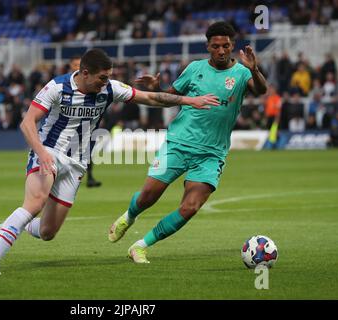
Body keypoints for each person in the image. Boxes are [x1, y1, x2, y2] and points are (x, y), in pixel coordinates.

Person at [0, 48, 219, 275]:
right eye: (102, 78)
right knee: (35, 202)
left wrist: (190, 101)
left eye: (108, 78)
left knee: (48, 232)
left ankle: (13, 225)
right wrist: (42, 153)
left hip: (77, 164)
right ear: (84, 73)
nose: (105, 83)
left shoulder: (109, 89)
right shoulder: (56, 88)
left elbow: (150, 98)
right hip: (49, 151)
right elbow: (27, 123)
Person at [108, 21, 267, 263]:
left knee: (190, 207)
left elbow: (261, 91)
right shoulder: (194, 69)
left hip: (212, 154)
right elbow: (170, 98)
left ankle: (140, 246)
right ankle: (129, 217)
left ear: (232, 45)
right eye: (216, 46)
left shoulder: (243, 73)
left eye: (226, 46)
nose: (222, 51)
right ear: (208, 47)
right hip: (177, 144)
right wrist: (157, 88)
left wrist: (255, 69)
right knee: (148, 196)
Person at [68, 55, 102, 187]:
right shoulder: (64, 84)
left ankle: (90, 177)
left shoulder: (90, 84)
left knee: (88, 151)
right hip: (69, 126)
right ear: (70, 66)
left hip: (87, 125)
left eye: (79, 65)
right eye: (75, 64)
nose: (77, 67)